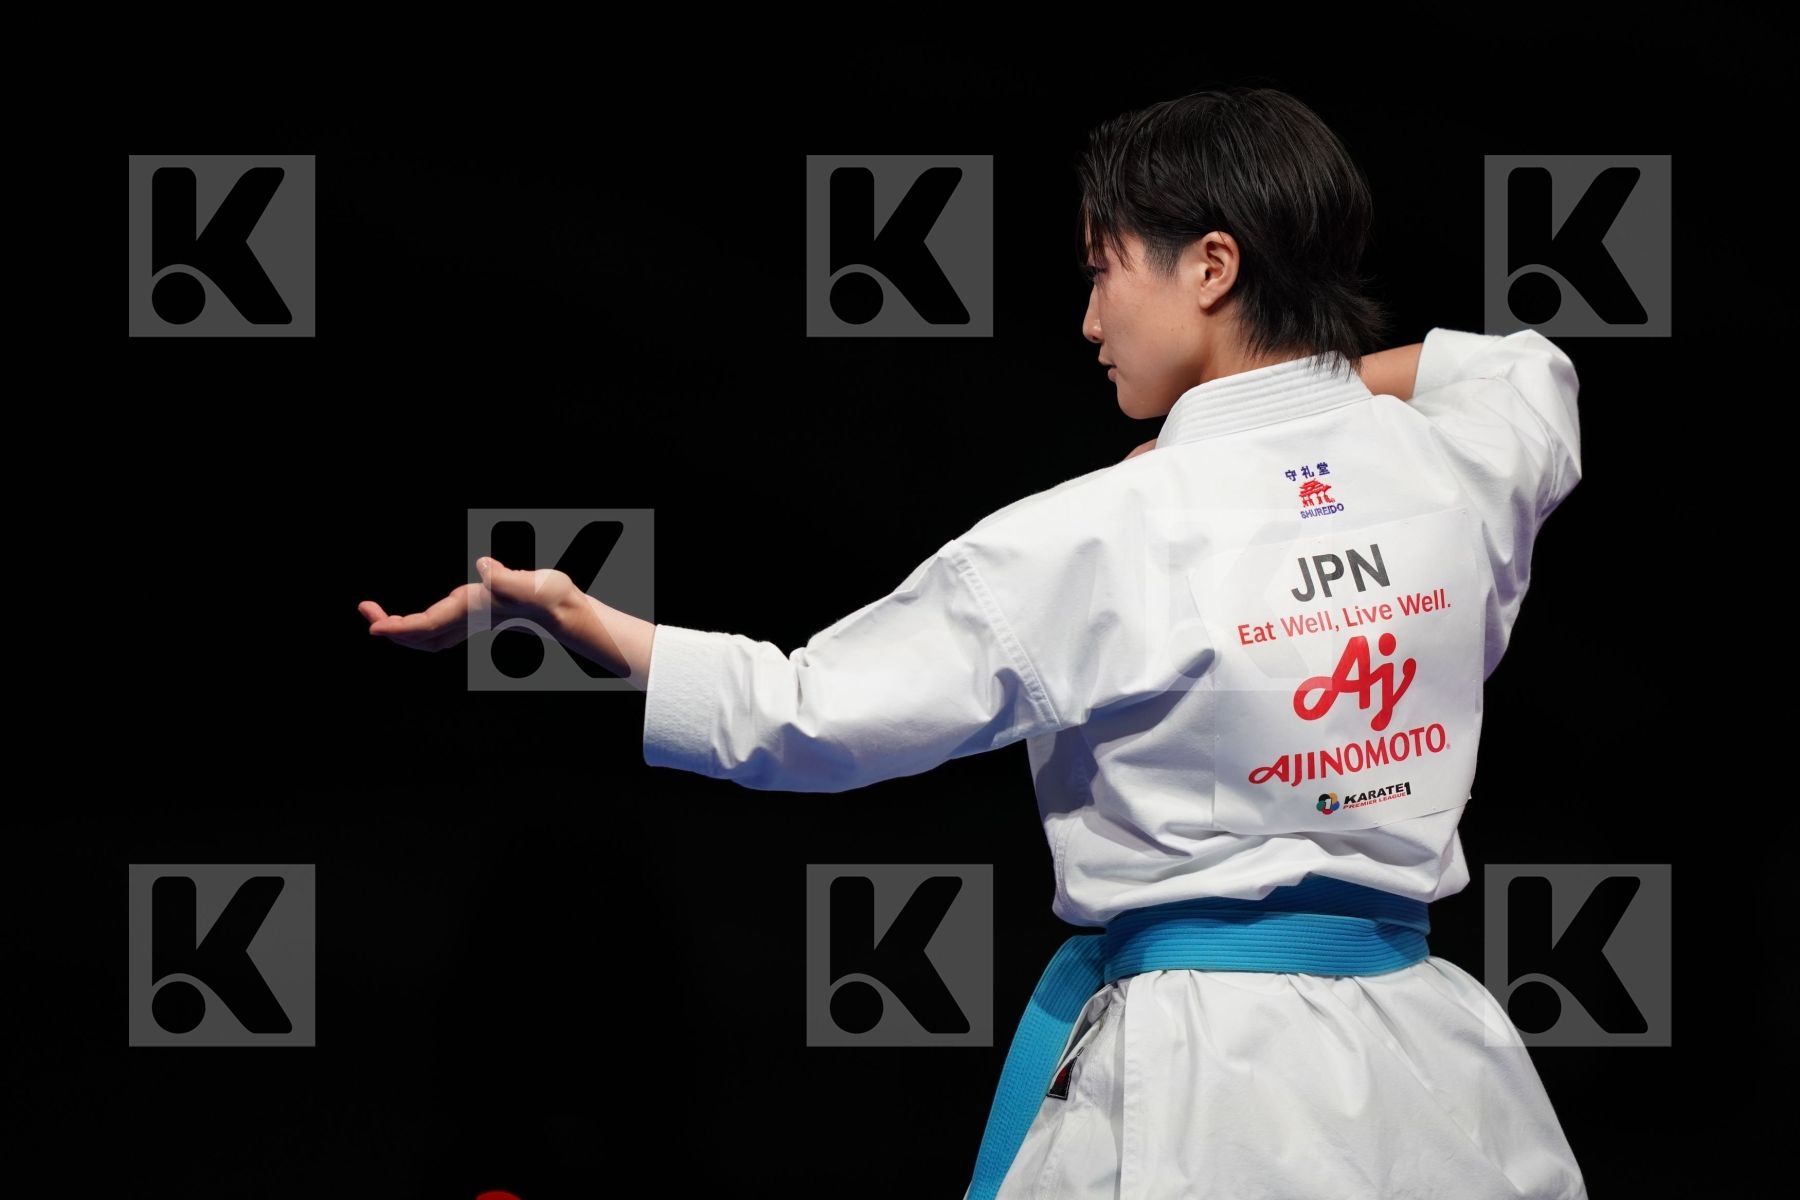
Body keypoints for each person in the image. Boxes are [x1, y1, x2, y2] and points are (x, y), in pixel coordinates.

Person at [359, 87, 1587, 1200]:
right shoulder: (1454, 468)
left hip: (1210, 1083)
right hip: (1438, 1068)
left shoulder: (1105, 527)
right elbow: (1530, 374)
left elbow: (802, 715)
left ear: (1211, 265)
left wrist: (585, 619)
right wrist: (1310, 405)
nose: (1090, 313)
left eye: (1106, 270)